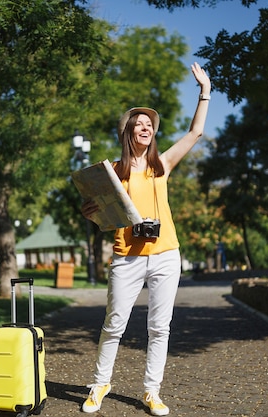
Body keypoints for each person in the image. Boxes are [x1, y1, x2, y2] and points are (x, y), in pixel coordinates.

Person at [79, 62, 211, 416]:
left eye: (149, 125)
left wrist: (205, 91)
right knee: (114, 323)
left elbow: (195, 132)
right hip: (128, 256)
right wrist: (92, 214)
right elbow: (105, 218)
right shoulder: (114, 172)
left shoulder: (162, 165)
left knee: (159, 328)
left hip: (166, 253)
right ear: (128, 133)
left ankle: (152, 391)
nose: (146, 128)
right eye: (139, 124)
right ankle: (100, 383)